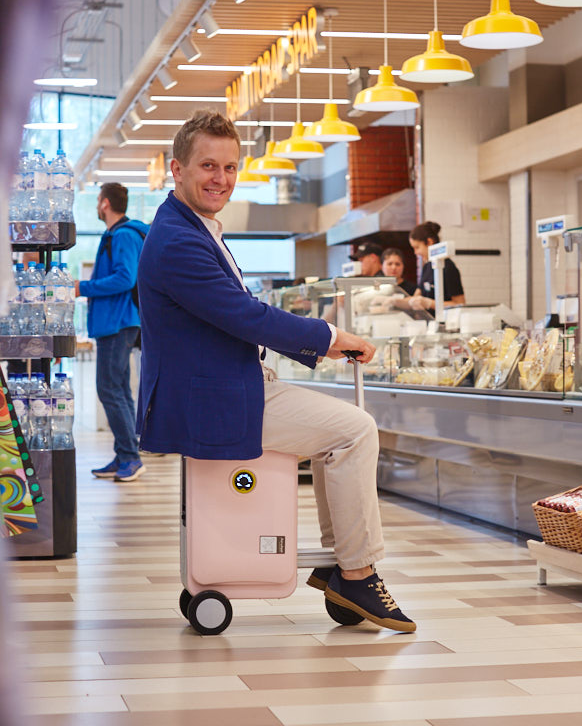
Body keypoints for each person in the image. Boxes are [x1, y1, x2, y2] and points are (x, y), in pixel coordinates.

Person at [136, 110, 415, 632]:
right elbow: (244, 315)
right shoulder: (178, 241)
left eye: (229, 167)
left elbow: (232, 317)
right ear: (177, 169)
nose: (220, 178)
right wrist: (329, 339)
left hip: (224, 386)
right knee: (355, 430)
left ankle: (347, 565)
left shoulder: (191, 228)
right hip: (215, 402)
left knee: (342, 434)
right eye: (207, 166)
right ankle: (355, 572)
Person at [75, 182, 150, 482]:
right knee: (118, 390)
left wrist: (84, 287)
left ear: (105, 203)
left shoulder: (123, 235)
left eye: (97, 200)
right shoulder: (118, 234)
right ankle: (124, 454)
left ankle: (131, 457)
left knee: (108, 389)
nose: (96, 205)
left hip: (118, 323)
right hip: (116, 322)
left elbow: (125, 277)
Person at [408, 220, 465, 311]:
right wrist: (395, 301)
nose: (416, 252)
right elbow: (416, 296)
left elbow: (459, 303)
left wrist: (430, 303)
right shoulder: (427, 267)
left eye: (417, 247)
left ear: (429, 242)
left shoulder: (448, 267)